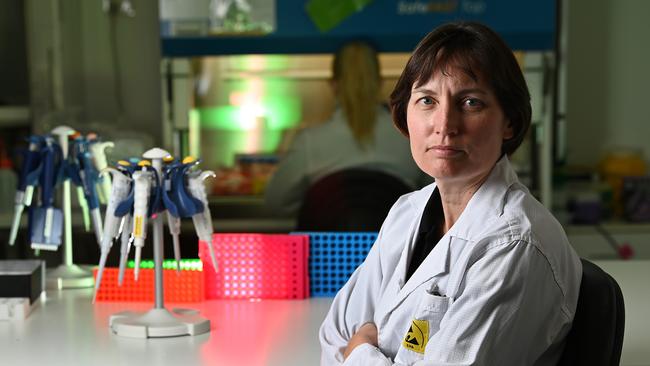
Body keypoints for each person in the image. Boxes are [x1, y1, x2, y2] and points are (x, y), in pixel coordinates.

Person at [319, 22, 582, 365]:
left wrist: (360, 351)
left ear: (510, 123)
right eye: (427, 100)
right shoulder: (408, 212)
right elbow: (334, 336)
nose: (445, 124)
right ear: (404, 113)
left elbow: (348, 347)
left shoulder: (513, 245)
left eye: (470, 102)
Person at [265, 41, 424, 214]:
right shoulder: (410, 137)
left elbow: (275, 204)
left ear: (333, 85)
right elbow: (436, 195)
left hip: (328, 242)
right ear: (379, 83)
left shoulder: (310, 142)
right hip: (399, 241)